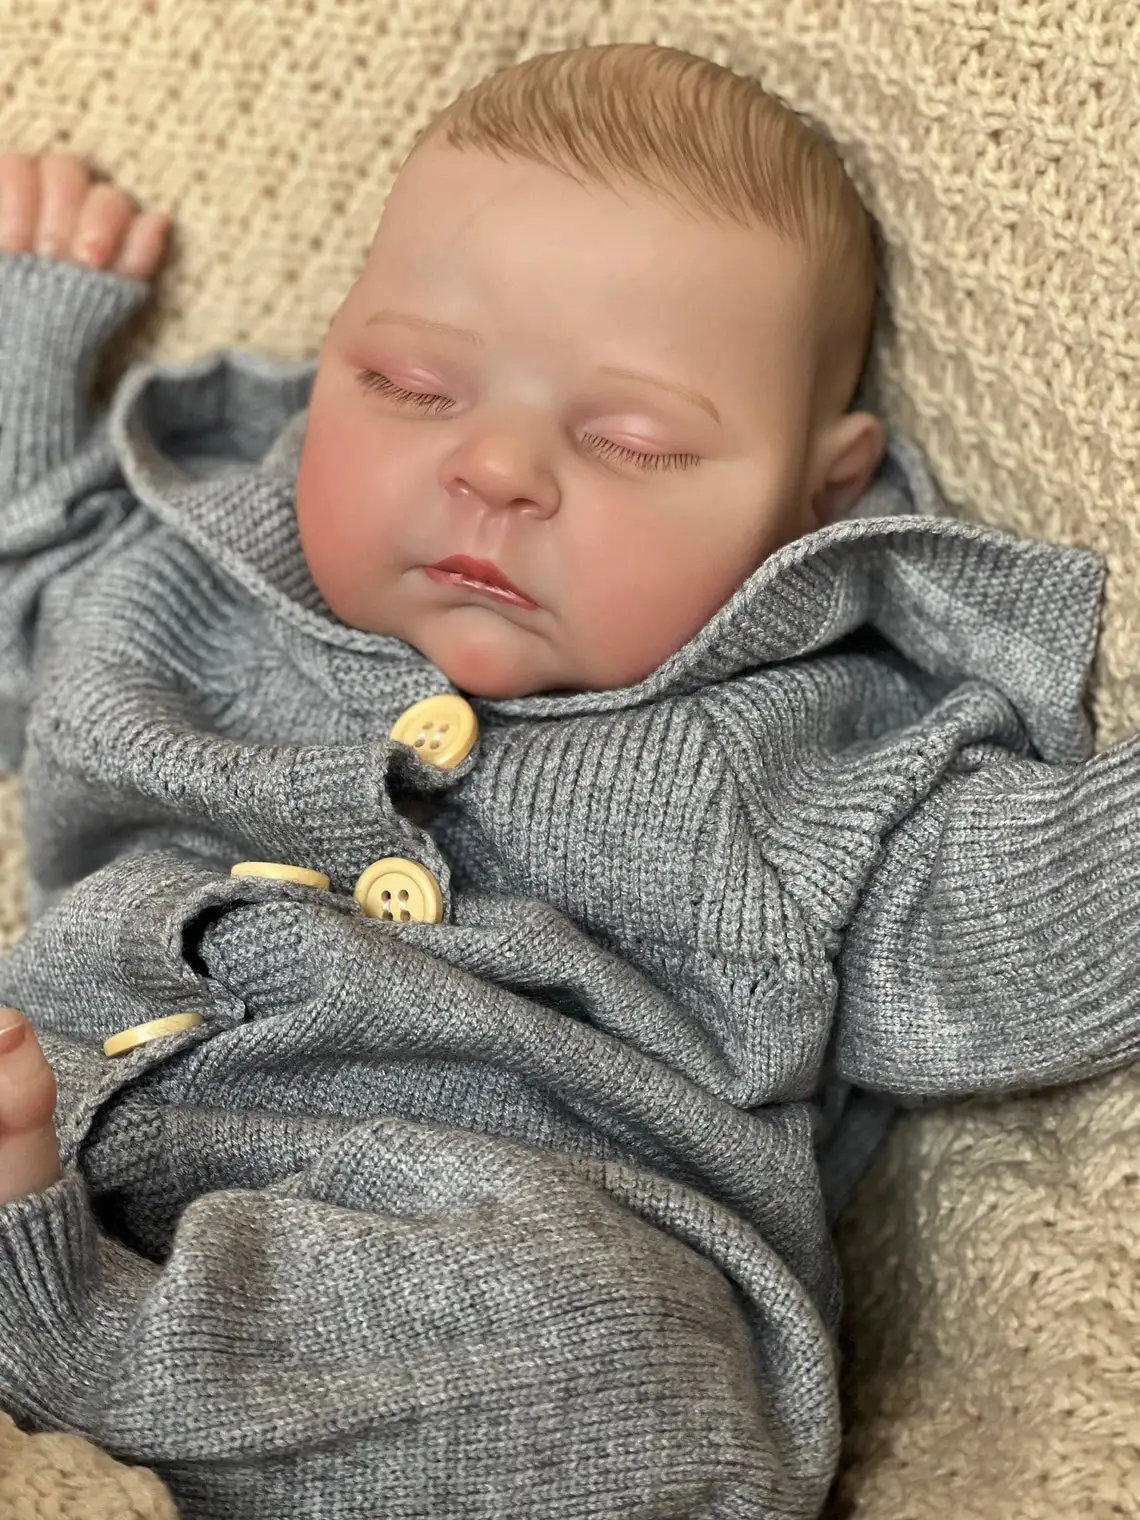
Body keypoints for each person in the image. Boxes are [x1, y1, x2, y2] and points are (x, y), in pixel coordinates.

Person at [0, 41, 1134, 1520]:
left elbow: (1034, 919)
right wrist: (28, 332)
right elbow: (23, 591)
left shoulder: (804, 765)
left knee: (652, 1364)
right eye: (409, 385)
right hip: (75, 1103)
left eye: (630, 443)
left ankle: (60, 1333)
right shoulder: (185, 580)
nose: (496, 469)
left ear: (820, 495)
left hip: (494, 1255)